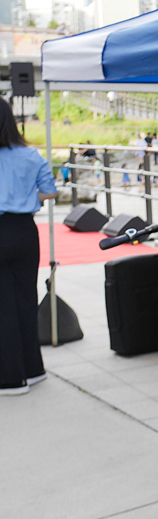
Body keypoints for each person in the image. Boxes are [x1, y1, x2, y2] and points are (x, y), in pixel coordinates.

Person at [0, 97, 58, 395]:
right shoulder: (31, 155)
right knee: (25, 299)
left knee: (3, 306)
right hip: (25, 231)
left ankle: (11, 378)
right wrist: (25, 198)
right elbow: (51, 192)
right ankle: (33, 369)